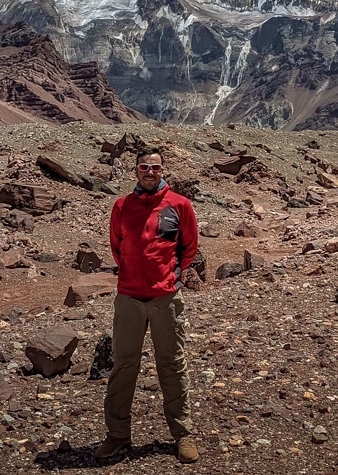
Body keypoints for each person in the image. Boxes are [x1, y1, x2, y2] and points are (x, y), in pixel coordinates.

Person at [95, 147, 199, 464]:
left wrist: (172, 278)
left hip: (165, 297)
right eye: (144, 167)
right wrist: (131, 274)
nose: (150, 172)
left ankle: (183, 435)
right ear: (136, 171)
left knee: (172, 363)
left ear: (163, 169)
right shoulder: (122, 207)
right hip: (129, 298)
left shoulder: (179, 205)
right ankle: (118, 436)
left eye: (155, 167)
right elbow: (117, 247)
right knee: (123, 365)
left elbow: (189, 246)